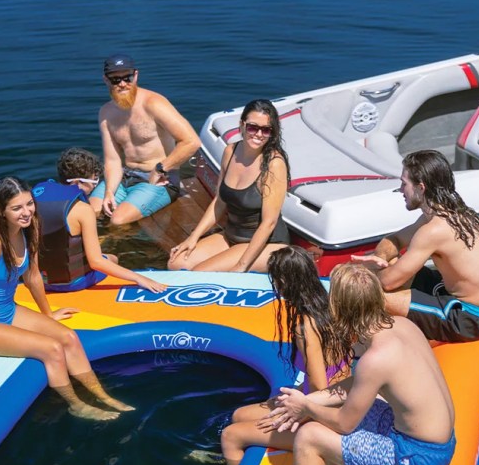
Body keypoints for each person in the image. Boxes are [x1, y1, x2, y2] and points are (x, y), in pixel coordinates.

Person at [253, 263, 456, 465]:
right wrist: (316, 399)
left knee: (310, 435)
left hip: (416, 459)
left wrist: (307, 406)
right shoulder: (401, 325)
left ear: (340, 309)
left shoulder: (377, 358)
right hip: (431, 443)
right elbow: (358, 383)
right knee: (327, 414)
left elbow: (345, 425)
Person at [0, 176, 134, 421]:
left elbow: (33, 277)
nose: (26, 212)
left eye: (29, 204)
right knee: (51, 349)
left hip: (9, 309)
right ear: (0, 210)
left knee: (68, 337)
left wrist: (48, 315)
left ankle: (102, 395)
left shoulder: (30, 228)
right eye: (17, 208)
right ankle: (75, 404)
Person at [220, 246, 348, 465]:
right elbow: (336, 371)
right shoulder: (329, 306)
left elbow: (321, 386)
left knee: (230, 436)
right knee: (238, 415)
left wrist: (293, 415)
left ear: (283, 281)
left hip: (323, 417)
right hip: (335, 401)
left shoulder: (305, 328)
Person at [350, 149, 479, 342]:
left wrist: (365, 272)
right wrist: (380, 259)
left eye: (404, 184)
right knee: (392, 264)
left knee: (360, 293)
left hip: (466, 318)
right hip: (451, 294)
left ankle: (355, 348)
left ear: (421, 188)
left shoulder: (434, 231)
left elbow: (387, 282)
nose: (401, 190)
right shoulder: (448, 214)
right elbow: (393, 240)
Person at [169, 99, 290, 272]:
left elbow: (269, 223)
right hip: (231, 235)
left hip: (268, 244)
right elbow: (219, 201)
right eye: (253, 127)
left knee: (199, 274)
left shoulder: (274, 164)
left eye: (266, 130)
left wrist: (241, 266)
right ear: (242, 125)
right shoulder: (231, 151)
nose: (258, 134)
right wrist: (193, 238)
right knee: (177, 262)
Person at [33, 147, 166, 293]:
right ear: (78, 182)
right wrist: (139, 278)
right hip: (73, 283)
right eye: (94, 182)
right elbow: (96, 262)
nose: (93, 188)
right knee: (112, 258)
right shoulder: (83, 210)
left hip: (41, 280)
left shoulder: (33, 203)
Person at [92, 54, 201, 226]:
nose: (122, 84)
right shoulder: (106, 113)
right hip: (124, 176)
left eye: (126, 77)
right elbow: (112, 160)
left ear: (135, 75)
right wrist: (109, 192)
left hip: (158, 180)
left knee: (118, 220)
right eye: (115, 79)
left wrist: (160, 168)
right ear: (106, 80)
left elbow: (191, 141)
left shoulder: (153, 103)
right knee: (91, 212)